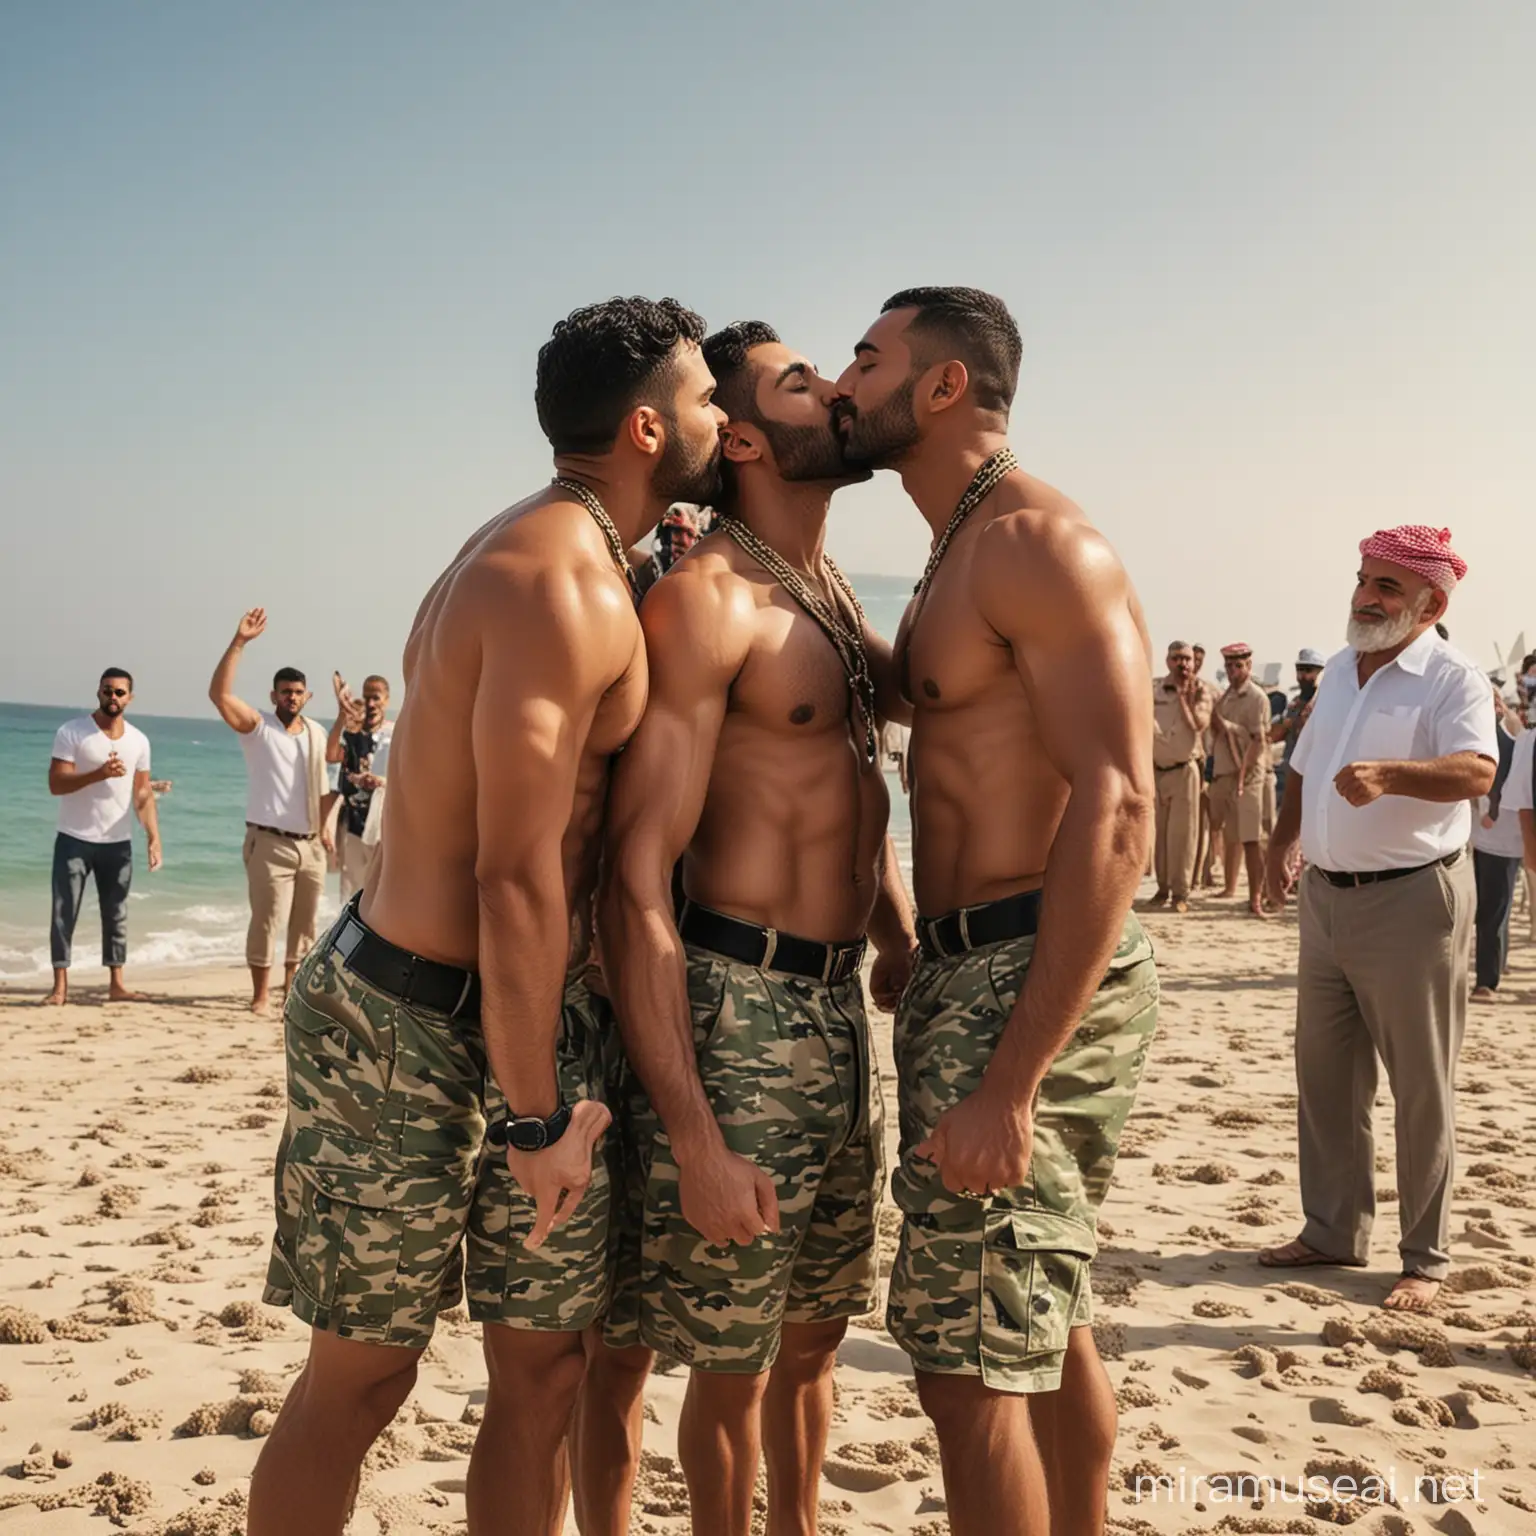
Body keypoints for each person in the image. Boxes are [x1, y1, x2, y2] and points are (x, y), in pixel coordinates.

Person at [247, 295, 724, 1536]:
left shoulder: (571, 555)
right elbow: (511, 874)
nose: (719, 413)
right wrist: (530, 1116)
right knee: (361, 1376)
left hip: (525, 1008)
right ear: (642, 427)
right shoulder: (556, 583)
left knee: (546, 1372)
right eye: (703, 399)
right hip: (404, 1021)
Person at [578, 321, 917, 1536]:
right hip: (739, 1009)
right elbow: (635, 878)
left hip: (834, 1009)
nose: (833, 392)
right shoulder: (706, 604)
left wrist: (897, 929)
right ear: (750, 442)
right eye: (800, 383)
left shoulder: (822, 590)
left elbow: (854, 778)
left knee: (814, 1342)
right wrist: (696, 1135)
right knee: (726, 1364)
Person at [831, 287, 1159, 1536]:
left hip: (1033, 965)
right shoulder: (958, 549)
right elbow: (930, 701)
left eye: (866, 359)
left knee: (966, 1372)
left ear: (942, 388)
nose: (844, 383)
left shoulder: (1033, 542)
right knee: (1041, 1317)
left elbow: (1118, 804)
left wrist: (1014, 1081)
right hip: (970, 965)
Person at [1259, 525, 1496, 1312]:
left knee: (1420, 1084)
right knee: (1325, 1077)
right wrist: (1283, 843)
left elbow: (1476, 771)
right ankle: (1331, 1231)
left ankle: (1424, 1257)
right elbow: (1302, 767)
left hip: (1411, 903)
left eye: (1388, 586)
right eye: (1364, 579)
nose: (1367, 595)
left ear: (1431, 603)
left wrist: (1393, 775)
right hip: (1326, 901)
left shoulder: (1451, 678)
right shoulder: (1338, 667)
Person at [208, 614, 331, 1015]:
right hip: (270, 843)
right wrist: (239, 642)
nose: (291, 698)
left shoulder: (316, 732)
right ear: (274, 695)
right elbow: (220, 696)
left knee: (305, 927)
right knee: (266, 922)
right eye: (284, 692)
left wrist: (328, 829)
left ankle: (290, 992)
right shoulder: (258, 729)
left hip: (311, 845)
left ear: (307, 696)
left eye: (297, 692)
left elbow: (328, 786)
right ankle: (260, 995)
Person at [44, 668, 163, 1006]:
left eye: (120, 692)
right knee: (64, 911)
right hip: (74, 838)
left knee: (116, 914)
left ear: (130, 698)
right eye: (108, 691)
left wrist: (153, 836)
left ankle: (117, 984)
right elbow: (56, 783)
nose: (114, 697)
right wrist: (98, 774)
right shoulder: (72, 732)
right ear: (98, 692)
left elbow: (142, 794)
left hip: (118, 842)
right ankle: (60, 987)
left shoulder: (139, 741)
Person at [1470, 683, 1532, 1001]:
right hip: (1487, 839)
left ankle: (1487, 980)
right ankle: (1490, 973)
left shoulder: (1513, 737)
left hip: (1505, 837)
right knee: (1494, 909)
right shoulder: (1485, 735)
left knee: (1493, 910)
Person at [1148, 640, 1213, 914]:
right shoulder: (1153, 689)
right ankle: (1162, 888)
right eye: (1176, 659)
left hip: (1185, 770)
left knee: (1183, 835)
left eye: (1186, 659)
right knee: (1160, 834)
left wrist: (1185, 698)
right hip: (1156, 770)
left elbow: (1199, 724)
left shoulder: (1201, 692)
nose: (1182, 664)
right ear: (1167, 662)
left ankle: (1180, 893)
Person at [1210, 642, 1273, 916]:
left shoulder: (1257, 698)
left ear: (1248, 665)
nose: (1233, 670)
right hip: (1225, 771)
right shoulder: (1226, 697)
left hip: (1248, 774)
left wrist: (1243, 775)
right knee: (1230, 834)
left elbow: (1259, 741)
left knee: (1251, 838)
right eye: (1229, 665)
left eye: (1238, 665)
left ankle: (1257, 896)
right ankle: (1231, 887)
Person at [321, 672, 393, 900]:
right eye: (366, 698)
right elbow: (331, 755)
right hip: (352, 826)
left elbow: (412, 778)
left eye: (376, 698)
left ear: (386, 700)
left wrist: (382, 782)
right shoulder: (353, 734)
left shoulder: (396, 733)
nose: (370, 704)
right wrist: (342, 713)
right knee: (352, 897)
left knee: (383, 895)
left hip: (385, 829)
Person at [1271, 648, 1325, 804]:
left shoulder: (1325, 702)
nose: (1303, 676)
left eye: (1308, 671)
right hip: (1291, 772)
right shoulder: (1293, 704)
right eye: (1300, 670)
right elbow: (1274, 735)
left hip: (1315, 774)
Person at [632, 503, 702, 600]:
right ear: (664, 538)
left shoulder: (699, 579)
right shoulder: (647, 571)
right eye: (677, 531)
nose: (684, 541)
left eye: (690, 534)